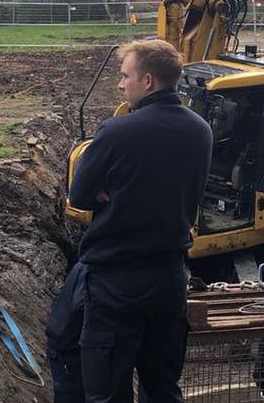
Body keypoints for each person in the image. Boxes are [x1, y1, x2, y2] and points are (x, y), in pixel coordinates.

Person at [45, 39, 213, 403]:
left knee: (107, 391)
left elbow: (79, 195)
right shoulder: (201, 130)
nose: (120, 84)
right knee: (163, 389)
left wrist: (112, 190)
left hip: (115, 285)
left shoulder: (117, 131)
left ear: (148, 81)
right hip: (170, 280)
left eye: (125, 76)